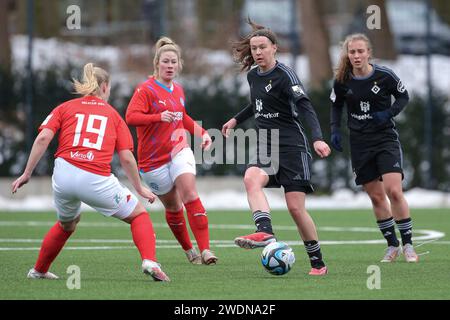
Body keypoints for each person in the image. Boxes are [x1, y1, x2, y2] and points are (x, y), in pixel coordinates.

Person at [12, 63, 170, 281]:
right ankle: (150, 262)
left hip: (63, 175)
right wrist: (139, 187)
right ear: (104, 87)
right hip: (94, 178)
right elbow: (126, 157)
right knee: (139, 215)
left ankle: (38, 271)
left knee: (67, 224)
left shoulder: (65, 107)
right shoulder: (114, 116)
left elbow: (43, 138)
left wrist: (27, 172)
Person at [221, 19, 331, 276]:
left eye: (262, 47)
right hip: (267, 145)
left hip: (292, 146)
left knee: (295, 208)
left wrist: (317, 137)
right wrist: (236, 119)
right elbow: (257, 104)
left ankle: (317, 262)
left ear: (274, 48)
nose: (257, 52)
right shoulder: (252, 76)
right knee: (251, 178)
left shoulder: (285, 75)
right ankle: (265, 232)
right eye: (254, 48)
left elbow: (305, 106)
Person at [126, 37, 218, 265]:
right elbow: (131, 117)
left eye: (173, 62)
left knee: (189, 194)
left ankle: (206, 250)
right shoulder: (145, 90)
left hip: (178, 150)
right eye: (165, 61)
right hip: (152, 162)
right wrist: (157, 117)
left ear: (179, 65)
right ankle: (189, 250)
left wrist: (202, 133)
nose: (169, 66)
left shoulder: (178, 89)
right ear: (157, 63)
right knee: (174, 206)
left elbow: (182, 117)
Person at [330, 33, 419, 263]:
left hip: (385, 139)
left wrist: (388, 114)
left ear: (369, 52)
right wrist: (335, 131)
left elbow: (403, 96)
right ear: (347, 55)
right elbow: (336, 106)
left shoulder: (384, 75)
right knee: (377, 197)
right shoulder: (342, 79)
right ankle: (392, 246)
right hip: (360, 144)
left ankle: (408, 245)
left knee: (394, 191)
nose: (357, 56)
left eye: (361, 51)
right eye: (352, 52)